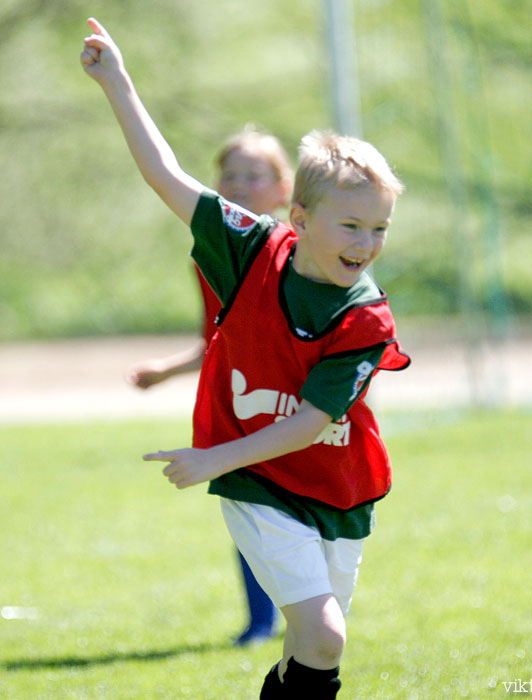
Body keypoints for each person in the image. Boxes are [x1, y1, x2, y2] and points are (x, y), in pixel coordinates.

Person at [81, 17, 410, 699]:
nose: (367, 242)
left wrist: (211, 458)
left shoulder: (363, 315)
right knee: (325, 638)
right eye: (350, 225)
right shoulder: (251, 248)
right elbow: (166, 177)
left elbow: (316, 420)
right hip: (259, 480)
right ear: (300, 218)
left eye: (378, 227)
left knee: (309, 651)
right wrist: (117, 82)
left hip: (337, 486)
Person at [127, 125, 293, 647]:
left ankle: (315, 612)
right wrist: (168, 371)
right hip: (243, 405)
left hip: (302, 407)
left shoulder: (307, 253)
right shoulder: (214, 257)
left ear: (284, 187)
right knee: (250, 508)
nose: (240, 183)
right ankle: (261, 623)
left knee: (304, 511)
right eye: (230, 175)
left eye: (254, 174)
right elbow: (221, 342)